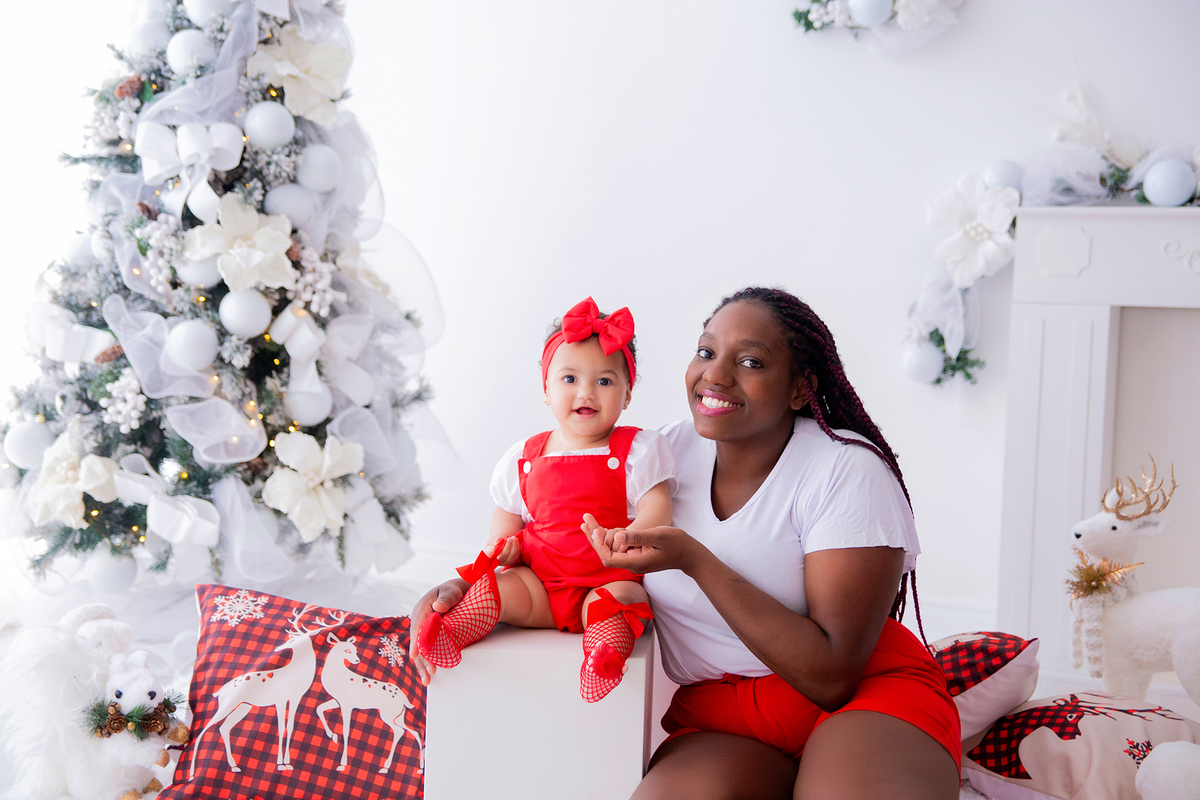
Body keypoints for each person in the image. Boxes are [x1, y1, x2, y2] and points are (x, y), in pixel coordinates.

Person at [411, 287, 961, 799]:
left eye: (750, 362)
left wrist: (695, 560)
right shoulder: (655, 457)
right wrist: (460, 588)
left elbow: (832, 677)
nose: (713, 376)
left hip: (862, 696)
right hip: (725, 713)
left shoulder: (845, 471)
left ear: (801, 387)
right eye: (705, 352)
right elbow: (552, 549)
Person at [415, 296, 676, 702]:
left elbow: (657, 508)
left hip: (608, 579)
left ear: (627, 395)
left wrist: (630, 537)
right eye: (569, 379)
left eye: (604, 381)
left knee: (623, 602)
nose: (586, 391)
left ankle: (603, 655)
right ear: (546, 389)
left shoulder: (638, 450)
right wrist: (504, 544)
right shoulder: (525, 456)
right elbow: (507, 515)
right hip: (540, 586)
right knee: (499, 588)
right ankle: (455, 629)